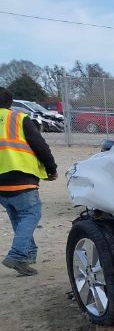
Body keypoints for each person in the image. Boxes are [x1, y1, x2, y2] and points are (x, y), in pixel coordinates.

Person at [0, 87, 58, 277]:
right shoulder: (18, 119)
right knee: (30, 214)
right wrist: (51, 168)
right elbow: (40, 146)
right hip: (21, 176)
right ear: (10, 102)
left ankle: (25, 260)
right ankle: (17, 255)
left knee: (19, 219)